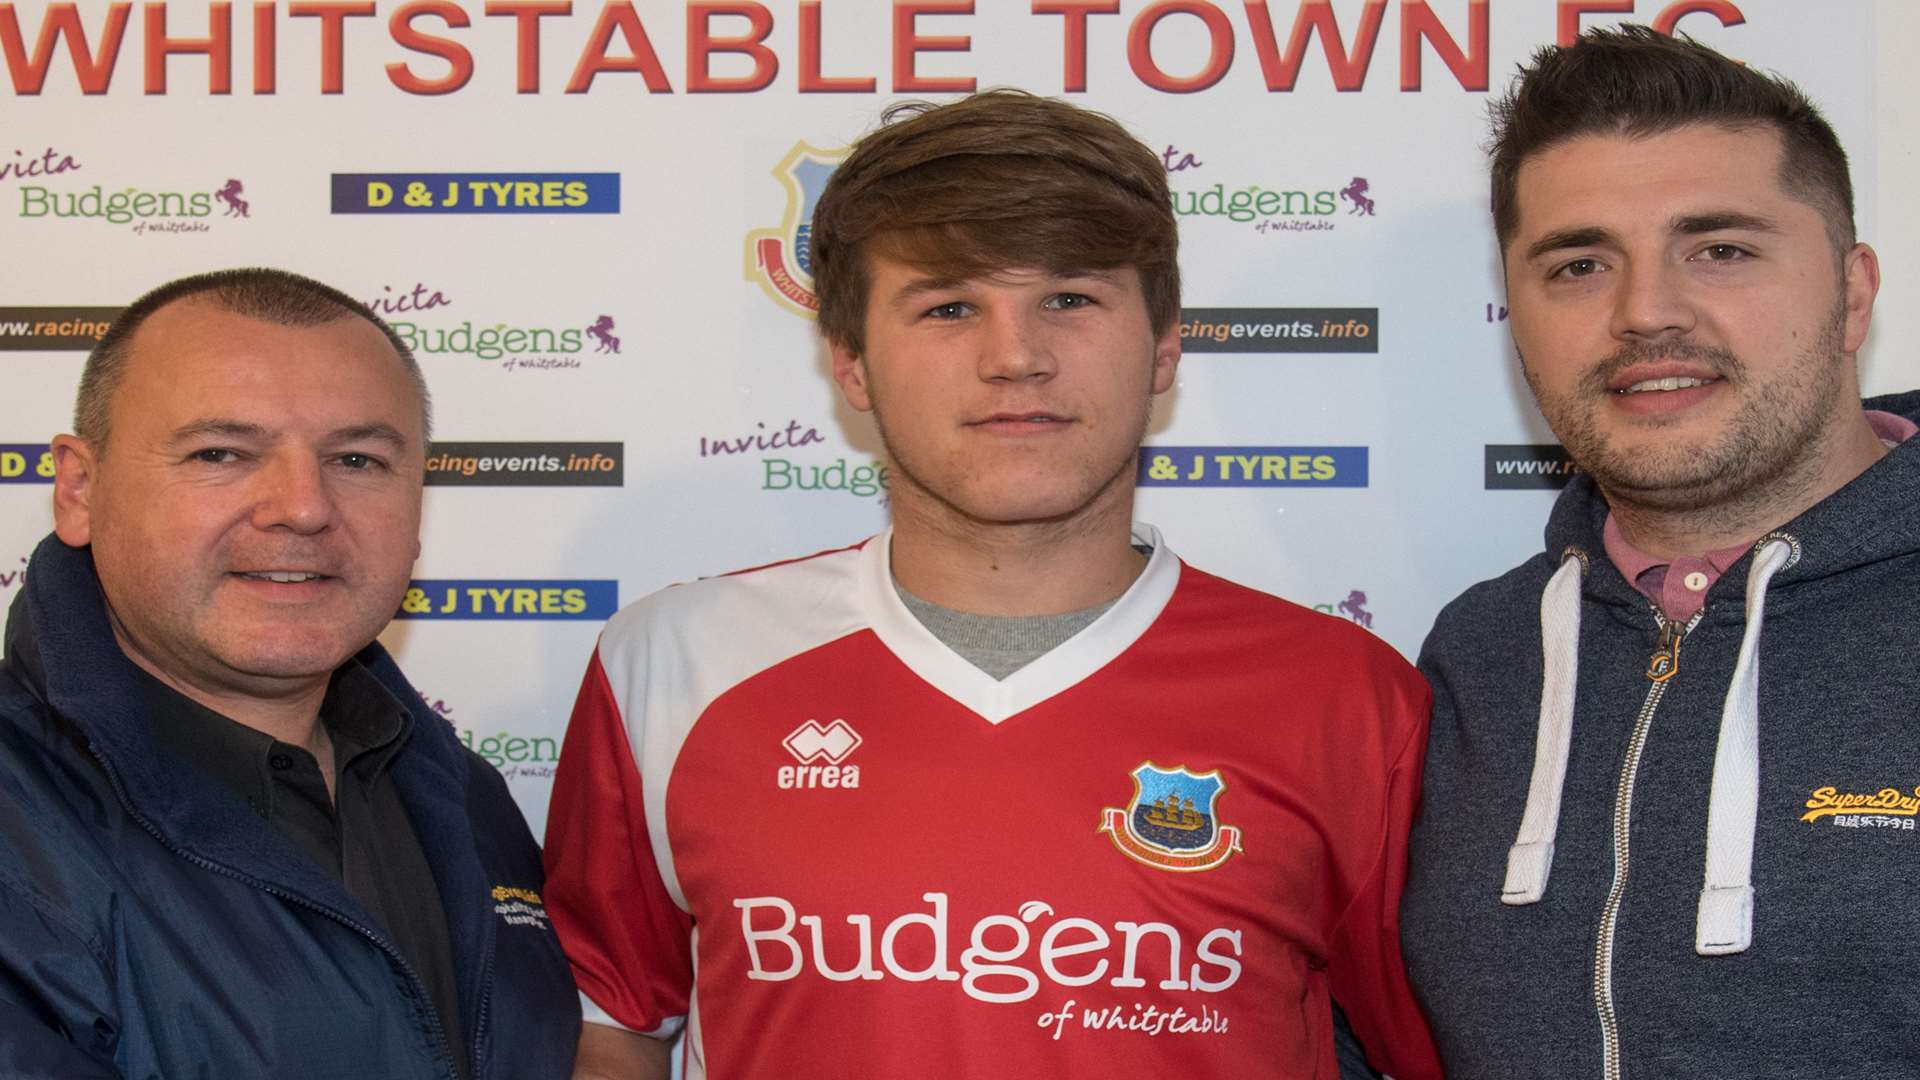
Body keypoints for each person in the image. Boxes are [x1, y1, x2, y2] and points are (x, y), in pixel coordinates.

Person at [544, 90, 1443, 1080]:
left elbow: (1434, 1045)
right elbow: (616, 1027)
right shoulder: (676, 664)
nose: (1015, 357)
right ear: (850, 363)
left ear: (1166, 346)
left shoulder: (1346, 699)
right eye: (948, 306)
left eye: (1070, 298)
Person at [1402, 25, 1919, 1077]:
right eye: (1580, 264)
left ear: (1854, 292)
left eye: (1720, 249)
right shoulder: (1480, 652)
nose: (1647, 313)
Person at [0, 269, 579, 1078]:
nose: (302, 506)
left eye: (357, 459)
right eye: (221, 453)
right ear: (79, 488)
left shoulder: (461, 794)